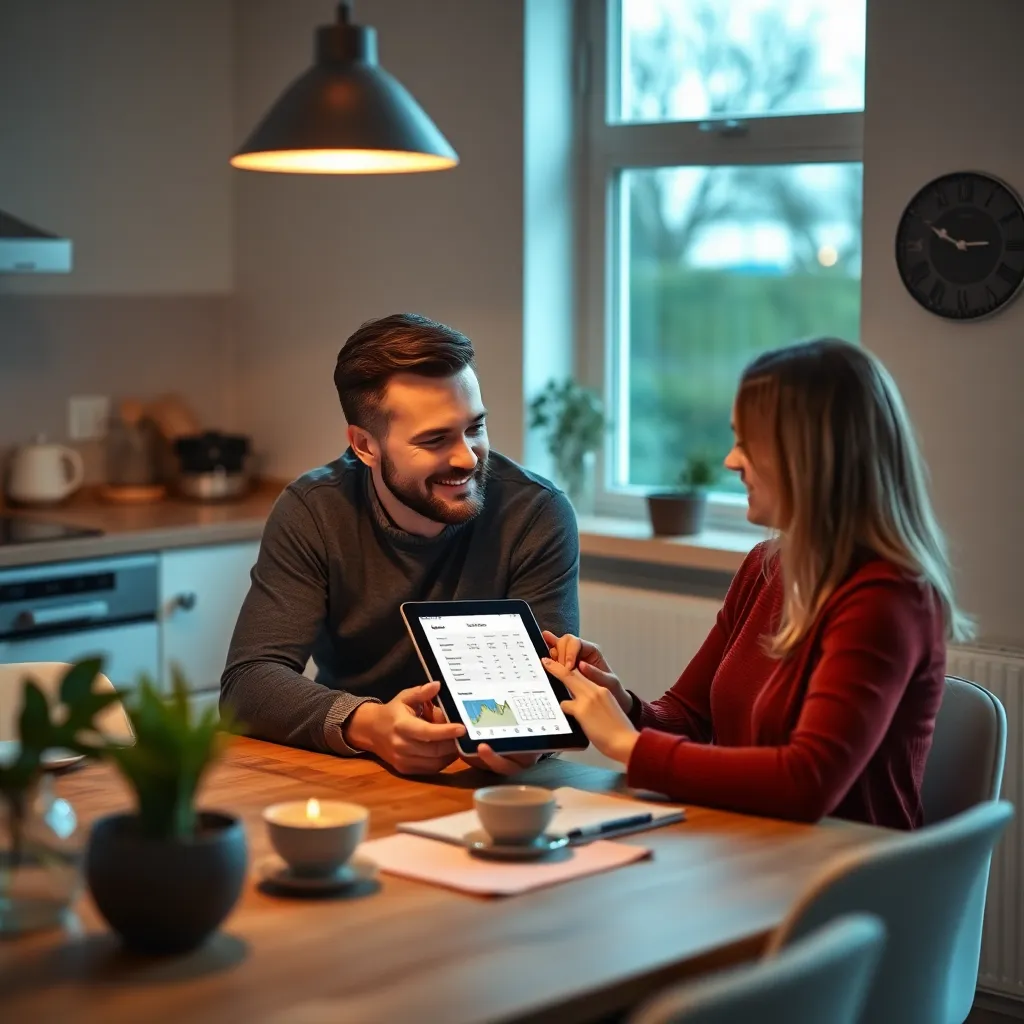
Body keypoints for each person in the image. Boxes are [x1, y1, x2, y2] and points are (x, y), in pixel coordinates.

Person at [542, 338, 972, 830]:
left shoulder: (888, 598)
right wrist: (624, 703)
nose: (731, 461)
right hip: (752, 843)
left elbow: (807, 781)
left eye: (748, 443)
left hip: (852, 866)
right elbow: (688, 717)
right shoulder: (765, 567)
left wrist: (628, 745)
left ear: (810, 457)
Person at [221, 313, 580, 776]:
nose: (466, 458)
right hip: (358, 767)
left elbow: (550, 693)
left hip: (493, 780)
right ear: (365, 446)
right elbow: (248, 684)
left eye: (475, 428)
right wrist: (369, 724)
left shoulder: (535, 513)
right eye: (435, 440)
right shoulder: (314, 510)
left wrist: (531, 736)